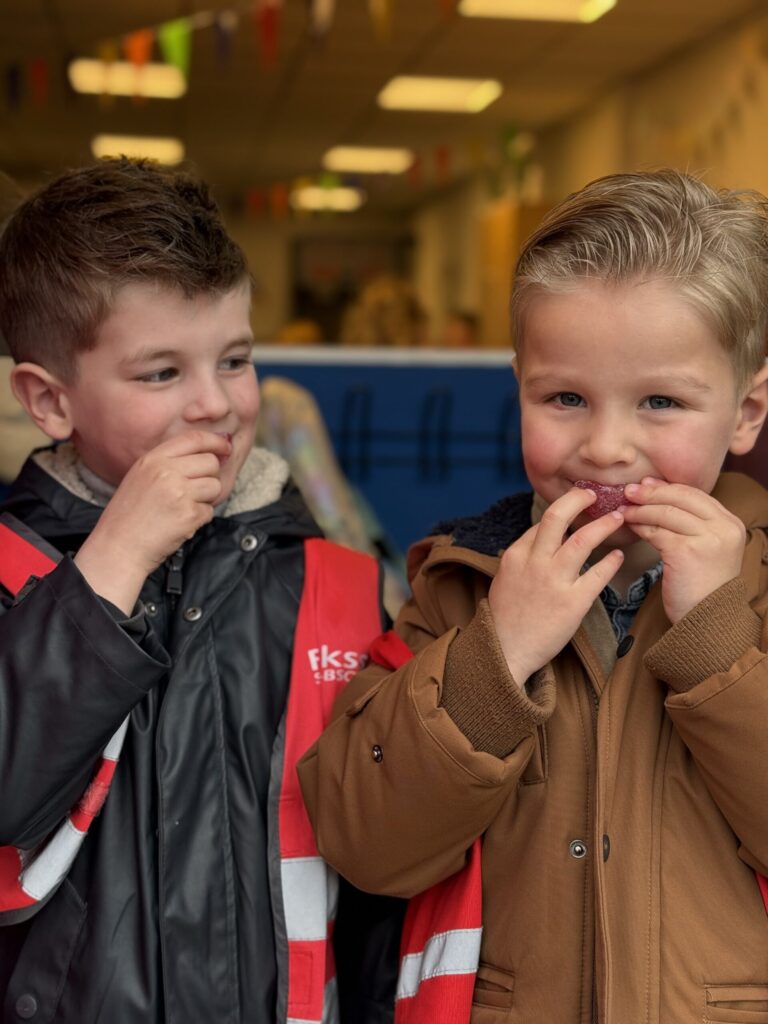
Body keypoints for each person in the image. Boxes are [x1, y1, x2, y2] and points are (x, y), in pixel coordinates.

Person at [298, 170, 768, 1023]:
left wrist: (717, 643)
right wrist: (498, 653)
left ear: (747, 412)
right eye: (564, 398)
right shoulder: (456, 585)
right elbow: (361, 842)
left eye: (661, 401)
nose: (605, 446)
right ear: (519, 386)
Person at [0, 157, 394, 1024]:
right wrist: (109, 568)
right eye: (161, 374)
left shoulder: (328, 578)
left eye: (236, 358)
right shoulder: (10, 567)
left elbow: (383, 868)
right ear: (49, 400)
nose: (215, 405)